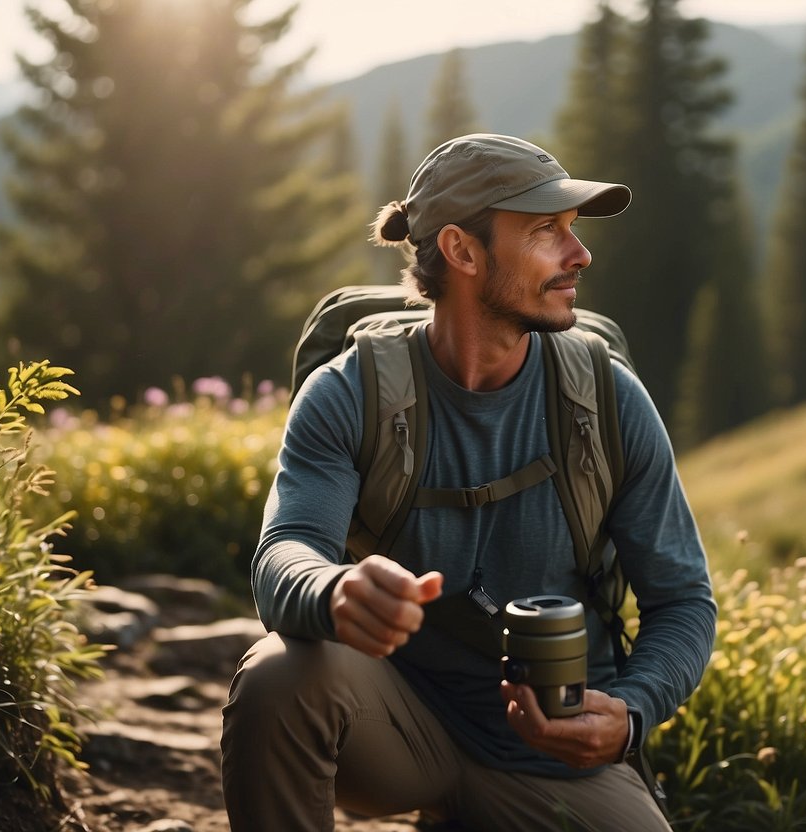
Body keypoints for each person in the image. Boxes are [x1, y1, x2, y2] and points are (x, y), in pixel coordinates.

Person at [220, 133, 716, 831]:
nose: (580, 255)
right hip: (397, 729)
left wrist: (631, 715)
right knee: (278, 677)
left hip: (549, 760)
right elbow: (285, 552)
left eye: (572, 231)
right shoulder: (350, 393)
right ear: (461, 251)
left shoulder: (606, 400)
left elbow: (684, 601)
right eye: (546, 231)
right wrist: (333, 590)